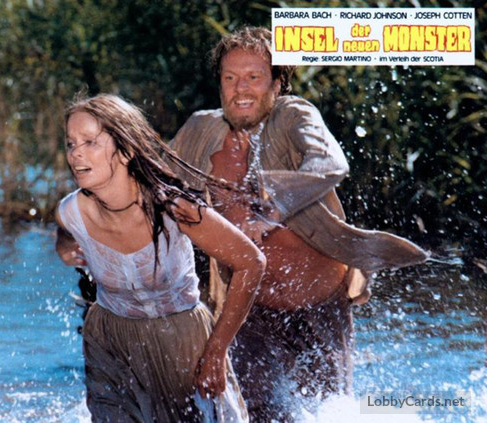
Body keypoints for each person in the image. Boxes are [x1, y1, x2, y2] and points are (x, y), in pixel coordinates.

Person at [169, 27, 429, 420]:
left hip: (319, 306)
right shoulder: (199, 131)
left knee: (328, 413)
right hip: (249, 310)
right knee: (250, 413)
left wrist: (270, 213)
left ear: (277, 84)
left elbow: (330, 163)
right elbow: (157, 184)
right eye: (230, 77)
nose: (241, 89)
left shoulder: (294, 115)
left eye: (254, 77)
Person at [55, 93, 265, 422]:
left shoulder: (174, 209)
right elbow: (64, 235)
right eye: (71, 143)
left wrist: (216, 351)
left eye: (90, 142)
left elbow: (251, 262)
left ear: (126, 151)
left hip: (181, 341)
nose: (76, 153)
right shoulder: (70, 211)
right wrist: (65, 250)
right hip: (110, 341)